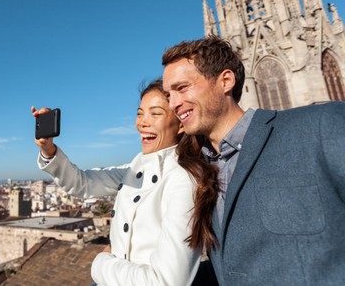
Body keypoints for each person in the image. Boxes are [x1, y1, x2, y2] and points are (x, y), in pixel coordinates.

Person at [161, 36, 345, 285]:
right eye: (168, 94)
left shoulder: (320, 125)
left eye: (182, 88)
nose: (173, 103)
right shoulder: (198, 172)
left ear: (225, 81)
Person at [31, 79, 218, 286]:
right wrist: (48, 150)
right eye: (140, 113)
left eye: (155, 113)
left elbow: (166, 281)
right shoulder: (136, 166)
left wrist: (100, 264)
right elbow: (82, 183)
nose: (142, 122)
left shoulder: (184, 178)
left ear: (181, 125)